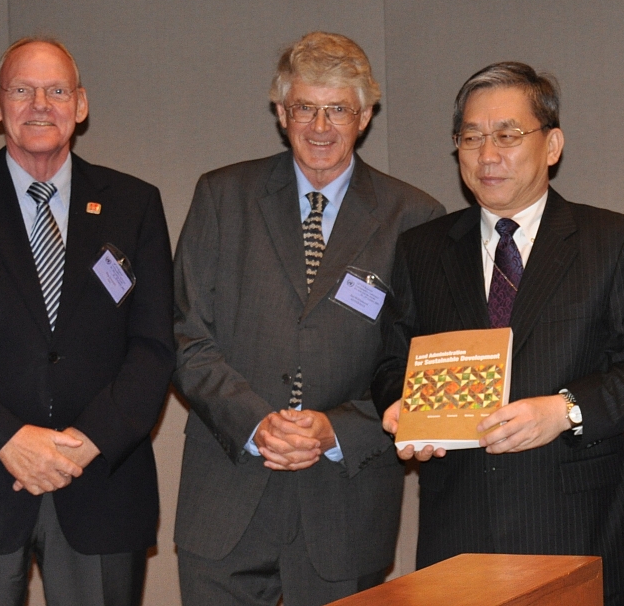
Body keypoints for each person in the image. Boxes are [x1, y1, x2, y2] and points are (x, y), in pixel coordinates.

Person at [372, 61, 624, 606]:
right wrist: (400, 406)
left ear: (552, 145)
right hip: (457, 532)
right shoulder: (422, 249)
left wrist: (564, 410)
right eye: (471, 138)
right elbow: (393, 362)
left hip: (571, 529)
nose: (487, 155)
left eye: (507, 136)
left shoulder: (613, 240)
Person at [172, 31, 443, 606]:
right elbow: (187, 335)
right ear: (280, 112)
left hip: (344, 508)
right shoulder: (222, 196)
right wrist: (256, 423)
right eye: (304, 108)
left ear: (364, 117)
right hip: (226, 498)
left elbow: (421, 364)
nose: (320, 126)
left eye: (338, 109)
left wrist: (336, 429)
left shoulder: (415, 217)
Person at [0, 37, 175, 606]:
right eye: (22, 90)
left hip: (100, 486)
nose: (40, 105)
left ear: (80, 105)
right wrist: (7, 439)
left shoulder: (134, 204)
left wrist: (90, 440)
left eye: (56, 90)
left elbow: (154, 347)